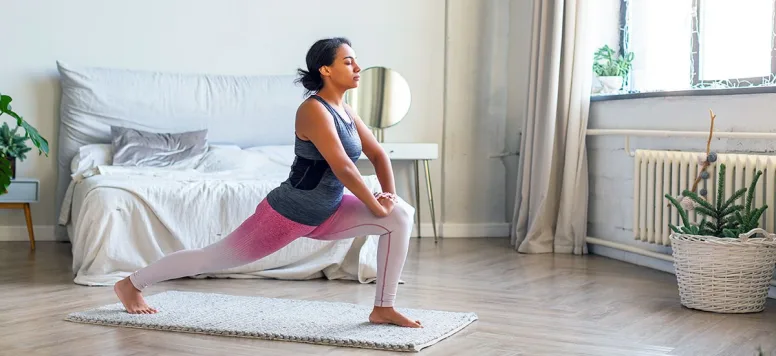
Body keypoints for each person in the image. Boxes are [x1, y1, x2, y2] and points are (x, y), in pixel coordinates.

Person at [113, 37, 422, 328]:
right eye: (348, 62)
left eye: (356, 62)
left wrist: (388, 199)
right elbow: (342, 166)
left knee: (400, 216)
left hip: (329, 211)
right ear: (325, 69)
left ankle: (383, 307)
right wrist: (373, 204)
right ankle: (131, 284)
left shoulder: (346, 111)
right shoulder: (313, 110)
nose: (357, 68)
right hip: (288, 215)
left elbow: (378, 153)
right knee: (211, 258)